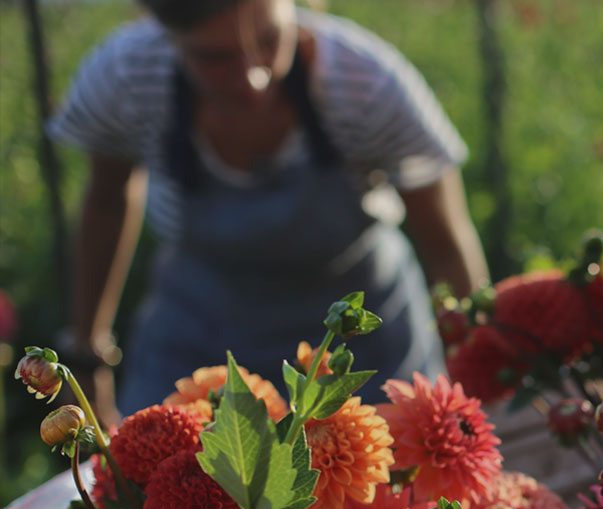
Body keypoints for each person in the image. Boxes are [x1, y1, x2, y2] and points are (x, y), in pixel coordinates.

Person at [49, 0, 489, 421]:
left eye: (268, 38)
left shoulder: (365, 85)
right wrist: (86, 353)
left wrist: (480, 374)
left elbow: (447, 246)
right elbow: (106, 203)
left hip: (357, 340)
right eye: (214, 57)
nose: (252, 77)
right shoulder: (129, 77)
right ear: (166, 35)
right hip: (198, 330)